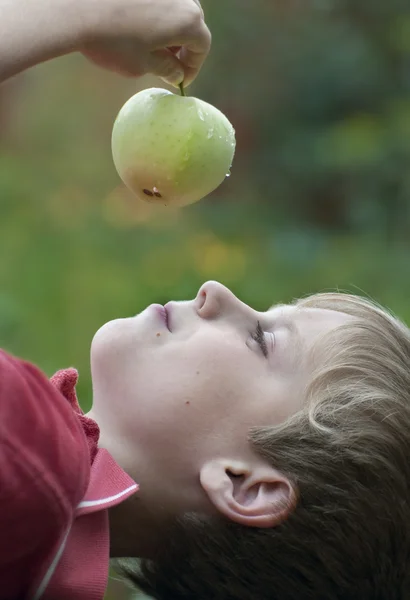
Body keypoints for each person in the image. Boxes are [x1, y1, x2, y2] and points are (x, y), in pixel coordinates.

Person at [1, 3, 410, 600]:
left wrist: (75, 16)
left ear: (246, 485)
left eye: (262, 339)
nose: (217, 292)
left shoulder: (25, 460)